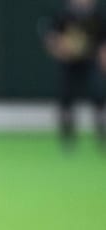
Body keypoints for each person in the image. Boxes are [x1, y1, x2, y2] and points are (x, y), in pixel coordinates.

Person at [43, 0, 106, 149]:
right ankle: (68, 134)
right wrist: (58, 47)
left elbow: (103, 39)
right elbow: (51, 36)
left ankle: (101, 131)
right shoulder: (63, 12)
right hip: (69, 62)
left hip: (90, 60)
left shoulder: (98, 14)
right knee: (66, 96)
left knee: (98, 93)